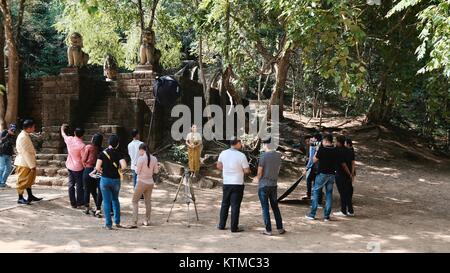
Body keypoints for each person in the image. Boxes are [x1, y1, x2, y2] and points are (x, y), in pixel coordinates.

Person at [216, 137, 250, 233]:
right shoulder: (241, 155)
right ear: (237, 143)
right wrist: (243, 170)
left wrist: (227, 169)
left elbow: (218, 165)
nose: (241, 144)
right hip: (237, 183)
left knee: (225, 204)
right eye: (240, 143)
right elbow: (247, 170)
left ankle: (221, 225)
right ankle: (234, 228)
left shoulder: (223, 153)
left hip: (226, 182)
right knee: (235, 206)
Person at [253, 138, 285, 236]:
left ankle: (268, 230)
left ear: (266, 145)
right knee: (275, 207)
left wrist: (256, 179)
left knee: (265, 208)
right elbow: (278, 170)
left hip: (264, 185)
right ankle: (280, 228)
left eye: (263, 144)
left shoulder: (263, 156)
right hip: (273, 185)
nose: (262, 146)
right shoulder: (279, 155)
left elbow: (259, 172)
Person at [95, 134, 127, 230]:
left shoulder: (102, 153)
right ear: (117, 144)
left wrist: (101, 170)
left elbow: (97, 167)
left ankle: (108, 224)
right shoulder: (119, 153)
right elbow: (124, 166)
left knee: (106, 201)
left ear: (108, 142)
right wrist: (119, 169)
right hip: (116, 180)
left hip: (105, 180)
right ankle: (117, 222)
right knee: (115, 200)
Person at [306, 134, 339, 221]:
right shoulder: (335, 150)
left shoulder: (322, 149)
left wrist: (316, 150)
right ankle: (326, 216)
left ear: (326, 141)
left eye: (323, 141)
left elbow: (314, 160)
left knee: (316, 192)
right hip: (331, 174)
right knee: (329, 194)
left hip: (322, 174)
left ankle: (312, 214)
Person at [130, 143, 159, 228]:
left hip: (141, 182)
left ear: (142, 150)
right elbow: (156, 172)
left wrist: (135, 167)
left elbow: (137, 172)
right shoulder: (154, 158)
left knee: (134, 201)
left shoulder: (141, 159)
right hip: (150, 182)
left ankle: (134, 221)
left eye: (139, 150)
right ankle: (147, 220)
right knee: (148, 202)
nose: (139, 152)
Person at [14, 119, 42, 204]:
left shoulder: (25, 135)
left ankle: (30, 195)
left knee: (29, 180)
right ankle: (20, 198)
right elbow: (25, 152)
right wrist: (32, 166)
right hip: (24, 162)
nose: (34, 128)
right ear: (29, 128)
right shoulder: (23, 137)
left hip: (27, 162)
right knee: (22, 180)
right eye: (33, 127)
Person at [61, 124, 86, 209]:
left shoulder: (69, 139)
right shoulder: (82, 145)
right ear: (82, 135)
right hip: (79, 167)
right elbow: (83, 158)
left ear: (74, 133)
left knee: (71, 184)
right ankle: (79, 202)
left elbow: (63, 134)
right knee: (79, 185)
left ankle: (73, 203)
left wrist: (62, 128)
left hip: (70, 166)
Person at [81, 133, 103, 217]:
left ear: (93, 139)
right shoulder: (101, 150)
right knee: (95, 191)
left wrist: (86, 166)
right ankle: (98, 208)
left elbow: (84, 159)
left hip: (88, 169)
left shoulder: (89, 147)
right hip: (97, 171)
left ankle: (86, 208)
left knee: (86, 189)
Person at [333, 135, 355, 217]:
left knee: (342, 193)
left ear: (338, 142)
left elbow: (343, 164)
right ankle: (350, 210)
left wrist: (349, 173)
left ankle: (343, 211)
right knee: (348, 192)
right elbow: (353, 163)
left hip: (341, 174)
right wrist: (352, 174)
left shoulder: (338, 151)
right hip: (348, 175)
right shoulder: (349, 150)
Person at [302, 133, 323, 205]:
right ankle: (318, 200)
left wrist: (307, 168)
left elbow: (311, 159)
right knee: (317, 183)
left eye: (313, 138)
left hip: (314, 167)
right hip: (321, 168)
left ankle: (312, 197)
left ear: (315, 139)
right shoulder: (322, 146)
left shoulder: (313, 146)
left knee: (310, 180)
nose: (312, 140)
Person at [0, 124, 16, 188]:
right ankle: (1, 182)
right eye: (12, 129)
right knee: (2, 168)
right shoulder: (4, 132)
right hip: (2, 153)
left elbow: (13, 143)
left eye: (14, 129)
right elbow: (1, 140)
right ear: (9, 128)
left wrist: (12, 135)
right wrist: (8, 134)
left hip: (9, 154)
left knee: (8, 169)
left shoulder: (13, 135)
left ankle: (3, 183)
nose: (13, 130)